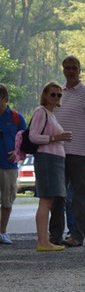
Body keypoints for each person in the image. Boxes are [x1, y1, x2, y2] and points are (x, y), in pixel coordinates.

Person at [49, 56, 85, 248]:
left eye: (74, 68)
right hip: (58, 153)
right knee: (57, 195)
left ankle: (77, 235)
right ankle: (55, 235)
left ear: (80, 70)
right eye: (67, 68)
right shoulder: (57, 94)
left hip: (80, 154)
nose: (71, 71)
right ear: (63, 69)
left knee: (80, 196)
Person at [27, 82, 72, 251]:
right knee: (46, 200)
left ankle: (45, 240)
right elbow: (33, 136)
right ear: (45, 95)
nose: (56, 97)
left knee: (50, 199)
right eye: (52, 94)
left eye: (59, 95)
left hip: (55, 160)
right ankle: (43, 241)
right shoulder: (41, 112)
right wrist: (55, 138)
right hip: (47, 159)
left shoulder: (51, 114)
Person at [0, 84, 27, 244]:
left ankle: (2, 232)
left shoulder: (16, 117)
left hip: (8, 168)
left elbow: (27, 140)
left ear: (4, 98)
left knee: (7, 201)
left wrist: (18, 153)